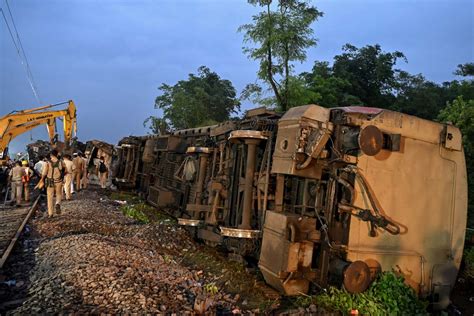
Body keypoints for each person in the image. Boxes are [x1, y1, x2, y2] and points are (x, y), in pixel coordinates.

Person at [41, 150, 64, 217]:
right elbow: (65, 170)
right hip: (58, 181)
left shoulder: (47, 163)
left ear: (51, 155)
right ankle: (57, 203)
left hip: (49, 181)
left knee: (49, 196)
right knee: (59, 194)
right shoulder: (61, 162)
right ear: (57, 154)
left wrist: (42, 179)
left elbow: (44, 173)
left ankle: (50, 213)